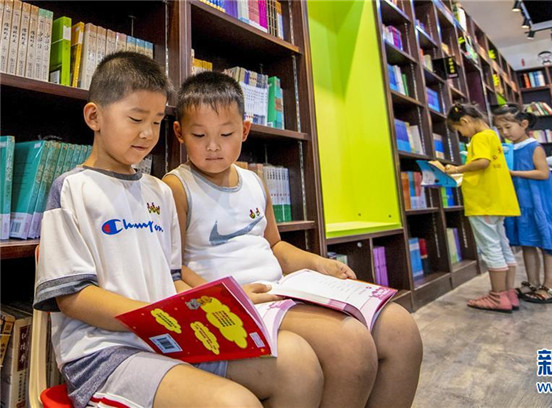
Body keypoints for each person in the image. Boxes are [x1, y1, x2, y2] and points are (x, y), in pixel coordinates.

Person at [33, 52, 324, 408]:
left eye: (156, 122)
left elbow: (174, 280)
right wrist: (154, 316)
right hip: (105, 354)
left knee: (299, 364)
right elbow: (72, 297)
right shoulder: (72, 189)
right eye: (136, 119)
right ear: (94, 116)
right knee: (235, 404)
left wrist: (223, 303)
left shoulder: (158, 192)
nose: (147, 133)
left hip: (170, 338)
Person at [162, 71, 423, 408]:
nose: (213, 146)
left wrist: (319, 263)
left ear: (245, 130)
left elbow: (275, 245)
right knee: (350, 345)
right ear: (180, 133)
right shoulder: (176, 186)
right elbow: (174, 268)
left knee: (401, 330)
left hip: (281, 290)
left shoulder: (253, 181)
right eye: (199, 135)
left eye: (226, 134)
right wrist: (230, 295)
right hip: (233, 304)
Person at [493, 104, 552, 304]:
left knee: (548, 244)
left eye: (508, 127)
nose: (504, 132)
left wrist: (513, 173)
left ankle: (550, 287)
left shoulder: (534, 147)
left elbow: (543, 173)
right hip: (522, 202)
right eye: (500, 129)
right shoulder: (509, 149)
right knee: (528, 243)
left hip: (541, 202)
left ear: (524, 124)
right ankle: (532, 283)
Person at [443, 103, 521, 313]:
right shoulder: (493, 136)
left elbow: (482, 162)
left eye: (459, 130)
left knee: (491, 248)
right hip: (498, 201)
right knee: (503, 246)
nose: (462, 134)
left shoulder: (479, 138)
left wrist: (457, 169)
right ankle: (508, 293)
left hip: (483, 202)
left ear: (465, 121)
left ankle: (497, 296)